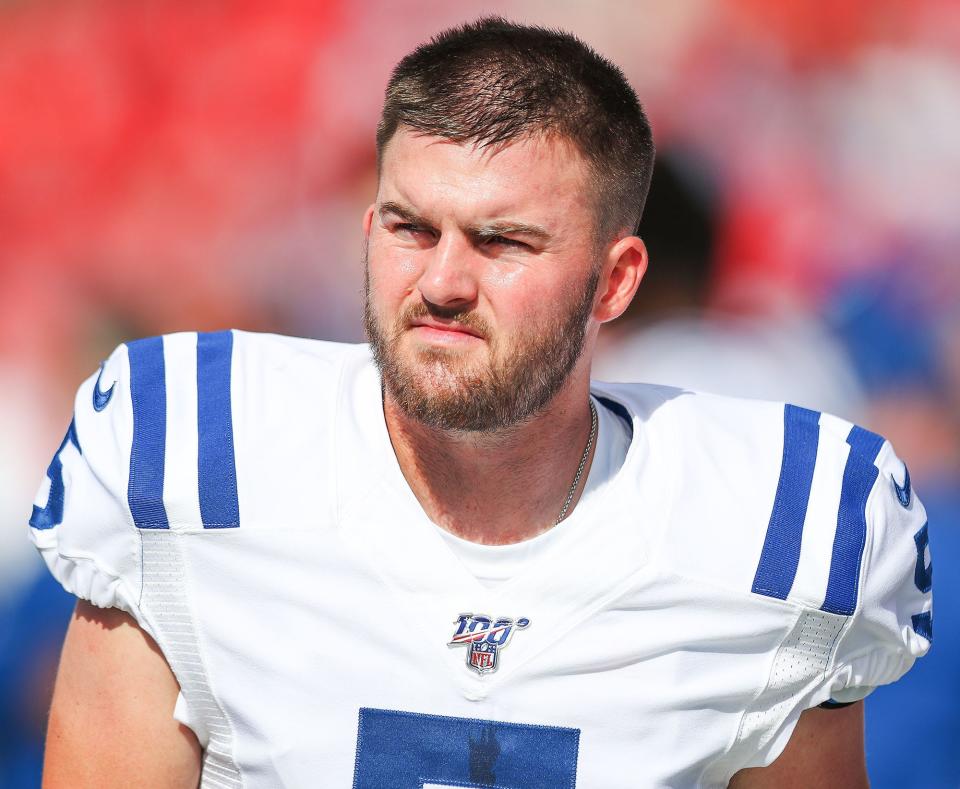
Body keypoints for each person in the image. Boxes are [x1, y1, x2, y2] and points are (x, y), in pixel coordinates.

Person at [29, 17, 931, 788]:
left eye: (503, 241)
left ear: (614, 282)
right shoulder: (190, 453)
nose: (443, 281)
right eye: (410, 227)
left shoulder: (779, 527)